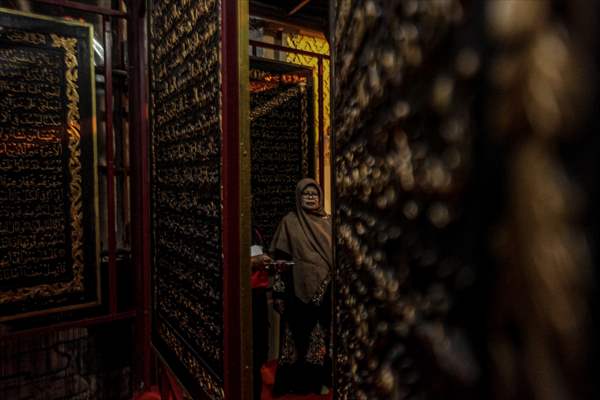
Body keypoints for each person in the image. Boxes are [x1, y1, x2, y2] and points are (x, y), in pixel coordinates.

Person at [269, 178, 332, 397]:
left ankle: (316, 383)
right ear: (298, 197)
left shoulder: (328, 223)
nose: (311, 198)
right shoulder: (290, 222)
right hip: (295, 291)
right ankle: (293, 384)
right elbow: (280, 261)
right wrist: (278, 292)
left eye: (314, 194)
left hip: (324, 292)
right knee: (294, 339)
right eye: (306, 194)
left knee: (319, 340)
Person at [251, 228, 272, 400]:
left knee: (258, 349)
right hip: (245, 294)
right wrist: (256, 261)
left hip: (258, 294)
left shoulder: (254, 230)